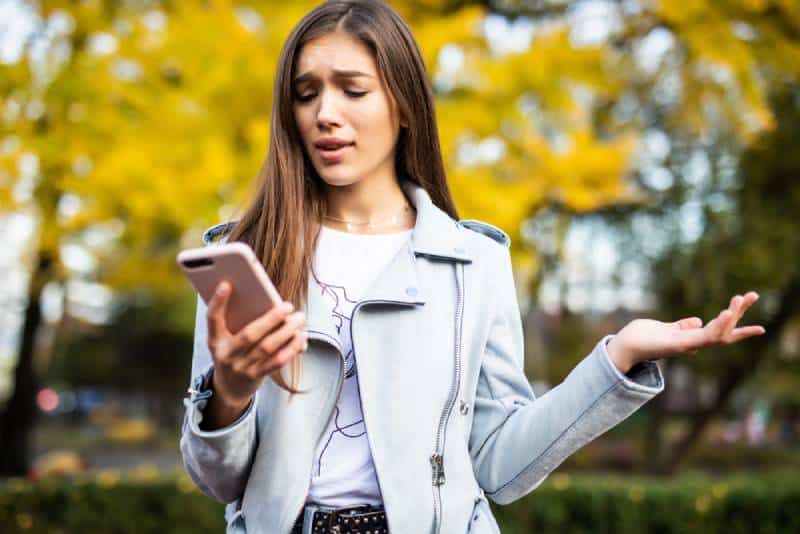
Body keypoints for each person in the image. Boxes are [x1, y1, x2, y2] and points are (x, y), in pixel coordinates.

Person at [179, 1, 765, 533]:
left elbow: (500, 463)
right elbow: (218, 481)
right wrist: (228, 395)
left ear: (403, 105)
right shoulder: (250, 256)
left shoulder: (471, 263)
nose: (325, 114)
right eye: (306, 94)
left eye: (352, 90)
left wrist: (619, 357)